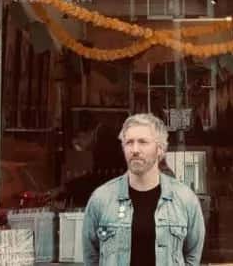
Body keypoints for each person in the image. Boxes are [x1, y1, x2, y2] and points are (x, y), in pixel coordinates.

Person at [82, 113, 205, 266]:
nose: (135, 149)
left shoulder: (185, 199)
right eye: (129, 142)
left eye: (143, 142)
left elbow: (192, 256)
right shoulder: (101, 198)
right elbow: (91, 257)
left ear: (160, 149)